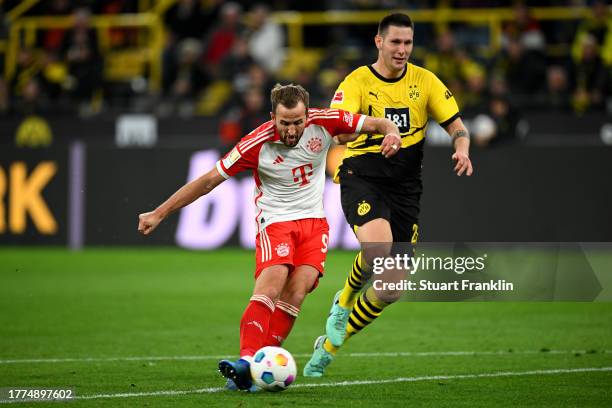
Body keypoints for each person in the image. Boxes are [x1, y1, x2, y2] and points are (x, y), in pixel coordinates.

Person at [137, 83, 402, 391]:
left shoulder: (325, 122)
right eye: (285, 122)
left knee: (297, 292)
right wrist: (159, 212)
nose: (292, 130)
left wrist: (391, 132)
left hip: (314, 224)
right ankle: (247, 363)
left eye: (298, 122)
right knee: (272, 284)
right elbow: (209, 180)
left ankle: (256, 368)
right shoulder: (256, 143)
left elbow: (376, 123)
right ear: (272, 117)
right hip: (275, 223)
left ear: (307, 115)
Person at [304, 13, 473, 377]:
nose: (402, 50)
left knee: (391, 288)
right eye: (395, 42)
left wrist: (462, 148)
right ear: (379, 42)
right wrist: (380, 133)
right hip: (362, 175)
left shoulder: (425, 81)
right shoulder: (358, 82)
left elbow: (458, 127)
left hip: (406, 187)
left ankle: (331, 344)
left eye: (408, 43)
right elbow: (338, 133)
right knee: (378, 250)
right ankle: (345, 299)